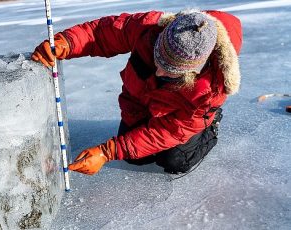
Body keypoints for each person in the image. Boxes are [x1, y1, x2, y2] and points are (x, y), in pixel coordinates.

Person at [31, 9, 242, 175]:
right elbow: (102, 33)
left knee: (175, 160)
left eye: (170, 71)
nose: (158, 70)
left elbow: (170, 131)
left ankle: (209, 126)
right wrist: (66, 42)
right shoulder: (150, 28)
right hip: (143, 103)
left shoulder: (210, 90)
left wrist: (107, 152)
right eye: (157, 58)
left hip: (180, 121)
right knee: (136, 157)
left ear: (192, 71)